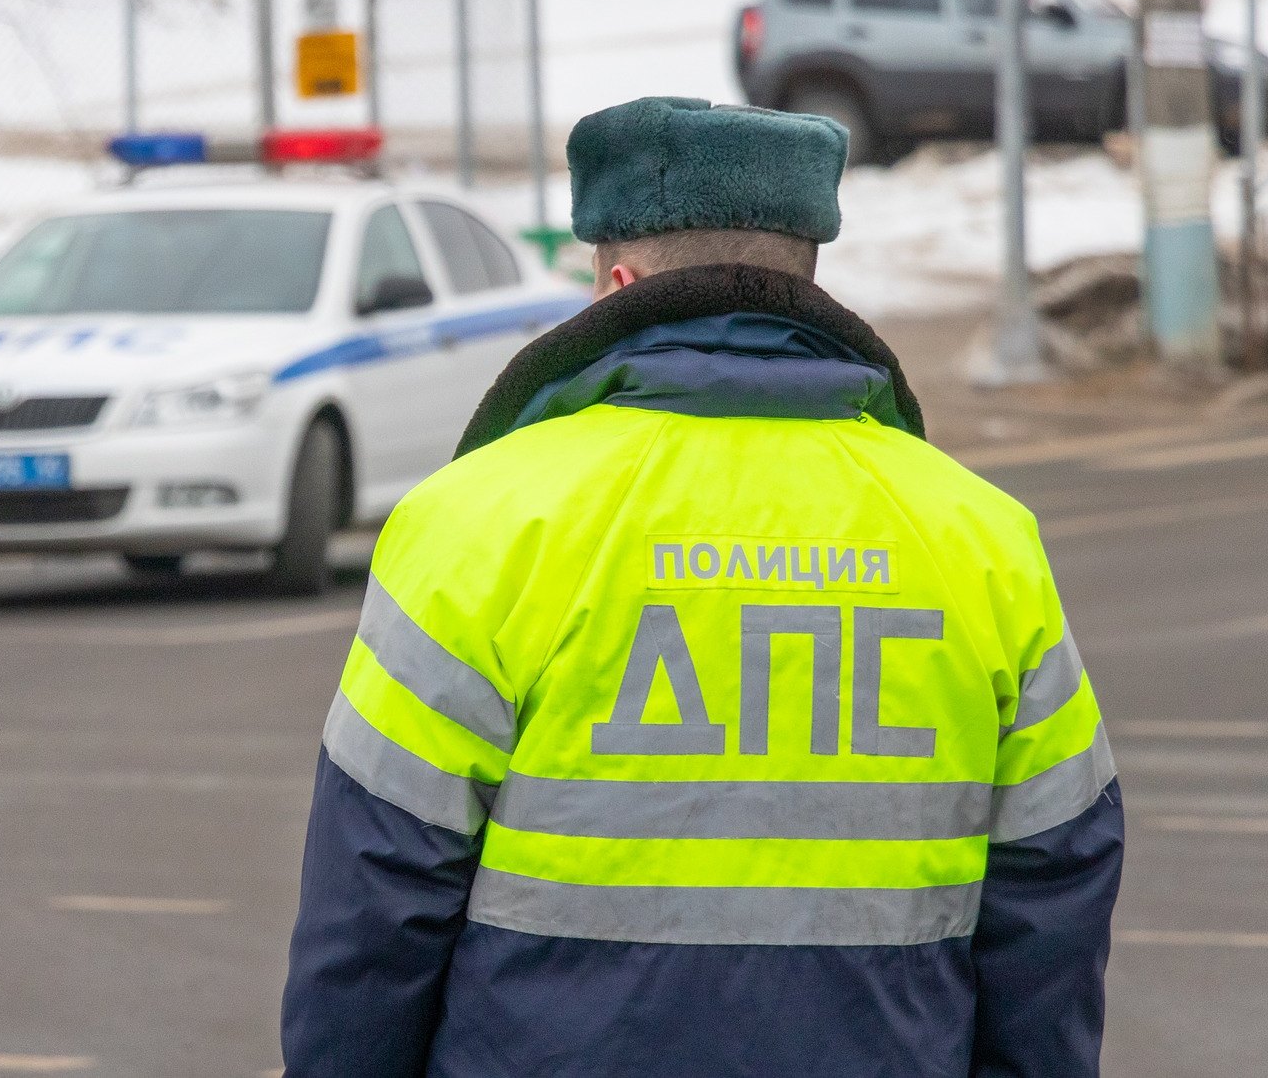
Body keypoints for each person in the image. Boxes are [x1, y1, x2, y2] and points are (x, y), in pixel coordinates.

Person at [281, 97, 1122, 1077]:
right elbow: (1057, 883)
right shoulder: (983, 541)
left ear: (619, 282)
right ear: (806, 276)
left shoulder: (475, 524)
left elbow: (375, 901)